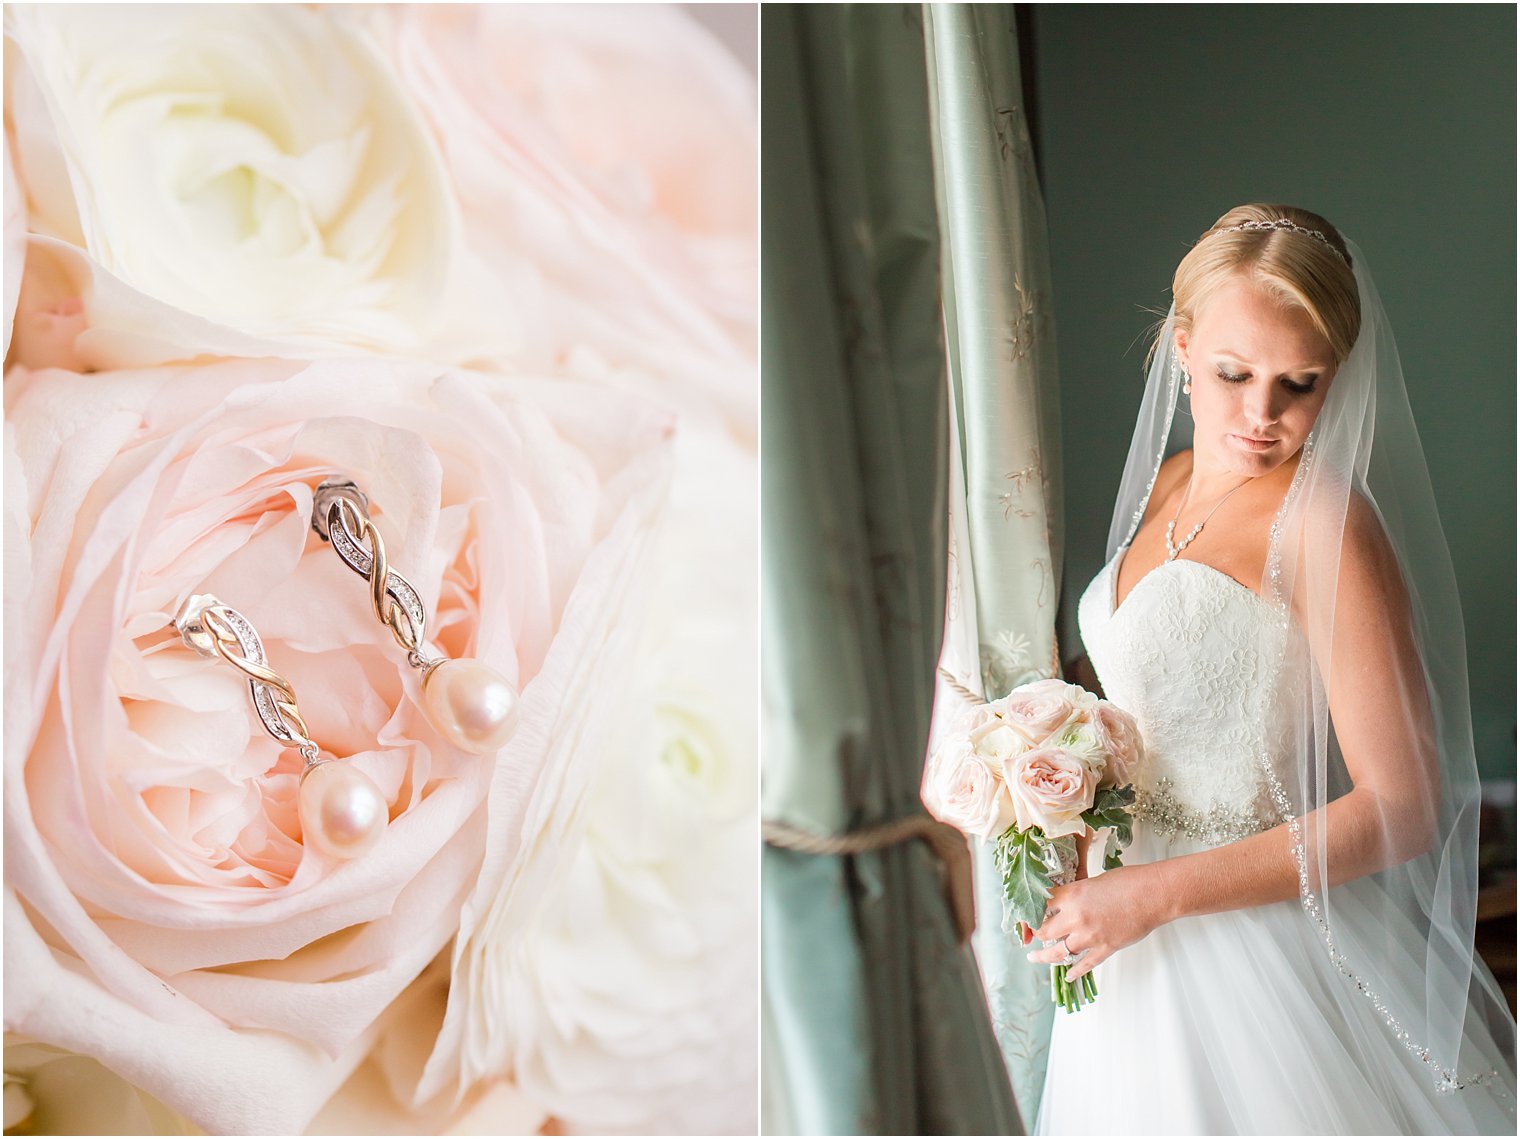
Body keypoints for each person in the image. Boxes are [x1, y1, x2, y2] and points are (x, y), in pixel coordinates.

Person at [1029, 204, 1517, 1134]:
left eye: (1301, 382)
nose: (1261, 415)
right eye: (1232, 373)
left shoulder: (1326, 521)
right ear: (1180, 346)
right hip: (1121, 939)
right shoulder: (1167, 481)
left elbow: (1404, 806)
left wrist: (1156, 893)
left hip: (1245, 946)